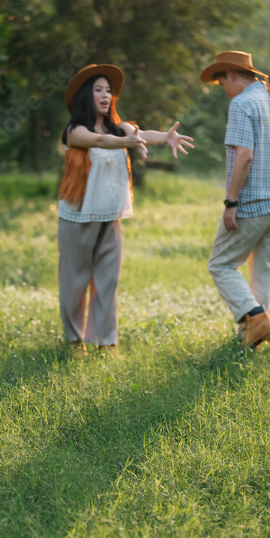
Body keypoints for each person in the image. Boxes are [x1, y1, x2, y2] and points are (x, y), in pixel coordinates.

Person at [58, 63, 193, 355]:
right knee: (74, 279)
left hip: (110, 215)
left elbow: (142, 134)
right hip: (78, 216)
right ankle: (73, 339)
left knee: (108, 279)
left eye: (108, 90)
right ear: (86, 95)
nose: (105, 95)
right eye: (98, 90)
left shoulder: (118, 128)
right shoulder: (74, 131)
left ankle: (105, 340)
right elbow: (98, 141)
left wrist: (165, 137)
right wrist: (126, 141)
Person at [200, 51, 270, 350]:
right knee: (262, 273)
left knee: (221, 265)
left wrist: (231, 202)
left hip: (254, 203)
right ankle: (250, 338)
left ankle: (256, 317)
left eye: (221, 81)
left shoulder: (241, 103)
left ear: (233, 75)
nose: (222, 89)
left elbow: (245, 154)